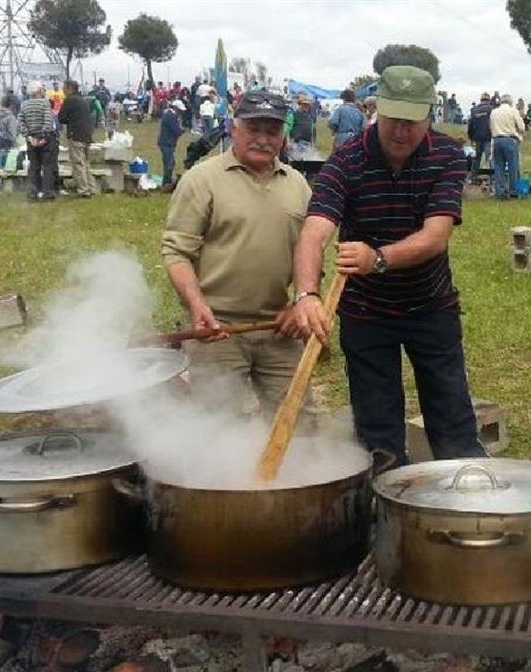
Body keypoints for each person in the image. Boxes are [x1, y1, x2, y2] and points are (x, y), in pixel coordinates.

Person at [290, 65, 488, 467]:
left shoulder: (448, 154)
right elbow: (314, 232)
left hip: (431, 307)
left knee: (452, 419)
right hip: (366, 314)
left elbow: (435, 236)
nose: (401, 131)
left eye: (413, 122)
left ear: (430, 115)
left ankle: (470, 505)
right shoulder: (347, 159)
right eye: (394, 119)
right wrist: (307, 294)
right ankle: (385, 511)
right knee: (377, 431)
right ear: (376, 108)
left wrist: (377, 259)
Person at [161, 91, 311, 412]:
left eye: (272, 131)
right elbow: (176, 252)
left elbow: (307, 253)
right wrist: (197, 305)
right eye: (253, 129)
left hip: (278, 325)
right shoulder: (201, 180)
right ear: (233, 128)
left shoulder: (298, 184)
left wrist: (301, 301)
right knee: (217, 426)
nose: (263, 139)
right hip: (216, 329)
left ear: (283, 135)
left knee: (301, 423)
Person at [18, 81, 58, 200]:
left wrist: (29, 137)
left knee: (34, 166)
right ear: (40, 91)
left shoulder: (24, 105)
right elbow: (48, 120)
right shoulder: (45, 103)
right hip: (46, 139)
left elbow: (20, 123)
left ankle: (33, 192)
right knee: (47, 166)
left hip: (31, 139)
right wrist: (44, 137)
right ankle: (47, 192)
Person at [56, 80, 96, 198]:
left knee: (78, 163)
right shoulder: (83, 100)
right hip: (87, 134)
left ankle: (83, 190)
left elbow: (61, 117)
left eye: (64, 88)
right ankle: (91, 187)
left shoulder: (70, 100)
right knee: (86, 163)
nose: (63, 90)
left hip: (76, 134)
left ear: (69, 89)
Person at [489, 93, 525, 200]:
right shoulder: (513, 111)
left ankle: (500, 192)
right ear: (510, 102)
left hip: (496, 140)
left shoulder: (494, 112)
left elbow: (491, 126)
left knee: (499, 167)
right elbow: (522, 127)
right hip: (510, 139)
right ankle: (514, 191)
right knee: (513, 166)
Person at [467, 93, 494, 183]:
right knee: (490, 158)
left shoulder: (474, 110)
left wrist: (471, 137)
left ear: (481, 100)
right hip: (488, 137)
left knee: (476, 158)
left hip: (477, 137)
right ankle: (493, 179)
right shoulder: (491, 109)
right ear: (488, 100)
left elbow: (470, 125)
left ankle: (473, 178)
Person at [158, 99, 184, 186]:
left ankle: (167, 181)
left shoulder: (168, 115)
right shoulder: (171, 117)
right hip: (167, 143)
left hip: (166, 142)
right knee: (169, 163)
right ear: (176, 108)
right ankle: (166, 182)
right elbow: (176, 131)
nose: (181, 112)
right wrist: (181, 130)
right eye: (180, 110)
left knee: (170, 162)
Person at [0, 99, 18, 169]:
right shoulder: (10, 116)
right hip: (6, 140)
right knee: (4, 156)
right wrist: (15, 140)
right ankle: (1, 169)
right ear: (11, 106)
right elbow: (12, 130)